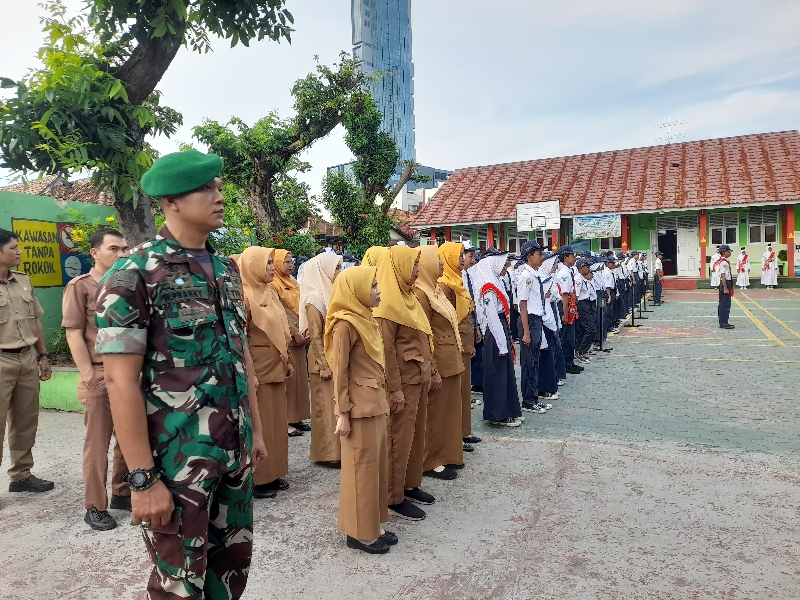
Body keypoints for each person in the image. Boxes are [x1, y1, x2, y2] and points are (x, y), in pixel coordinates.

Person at [95, 150, 267, 599]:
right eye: (206, 188)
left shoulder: (226, 269)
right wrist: (142, 478)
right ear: (171, 201)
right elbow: (119, 382)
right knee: (179, 584)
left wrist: (257, 433)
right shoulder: (134, 273)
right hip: (175, 464)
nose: (220, 196)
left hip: (234, 453)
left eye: (219, 186)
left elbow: (240, 354)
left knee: (231, 572)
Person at [62, 228, 131, 531]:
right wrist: (89, 375)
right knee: (98, 442)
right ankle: (95, 506)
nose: (121, 255)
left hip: (129, 374)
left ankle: (122, 492)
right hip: (100, 372)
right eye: (114, 249)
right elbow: (74, 332)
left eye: (124, 249)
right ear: (95, 252)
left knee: (128, 438)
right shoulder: (81, 287)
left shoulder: (128, 282)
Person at [326, 266, 395, 554]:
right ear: (356, 290)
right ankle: (359, 533)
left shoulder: (366, 319)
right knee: (361, 472)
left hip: (374, 402)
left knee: (375, 469)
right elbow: (339, 372)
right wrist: (342, 412)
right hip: (357, 408)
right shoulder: (344, 325)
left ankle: (373, 524)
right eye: (374, 286)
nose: (379, 291)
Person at [374, 245, 436, 521]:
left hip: (418, 378)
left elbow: (425, 339)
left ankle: (410, 485)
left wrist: (432, 370)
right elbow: (385, 352)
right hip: (403, 383)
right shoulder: (386, 306)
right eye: (411, 267)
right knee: (398, 439)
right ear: (397, 268)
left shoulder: (409, 300)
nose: (415, 272)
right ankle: (393, 495)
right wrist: (394, 389)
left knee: (416, 434)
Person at [0, 228, 53, 495]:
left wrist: (43, 355)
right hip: (1, 361)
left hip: (27, 358)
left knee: (26, 420)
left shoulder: (23, 280)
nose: (19, 252)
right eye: (13, 248)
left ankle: (21, 476)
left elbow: (35, 321)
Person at [240, 247, 294, 499]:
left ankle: (275, 472)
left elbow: (282, 328)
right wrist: (249, 373)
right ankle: (258, 479)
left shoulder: (269, 291)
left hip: (276, 365)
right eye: (267, 263)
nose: (272, 267)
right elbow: (241, 339)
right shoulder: (244, 294)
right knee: (259, 423)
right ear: (253, 266)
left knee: (275, 422)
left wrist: (288, 360)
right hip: (258, 370)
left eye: (273, 262)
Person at [414, 245, 464, 480]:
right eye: (437, 260)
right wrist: (431, 367)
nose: (442, 264)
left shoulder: (435, 289)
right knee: (434, 413)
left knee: (447, 411)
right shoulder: (421, 293)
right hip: (438, 361)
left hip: (450, 357)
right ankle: (431, 460)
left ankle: (447, 454)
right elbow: (423, 334)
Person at [300, 253, 343, 465]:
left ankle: (336, 451)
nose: (339, 272)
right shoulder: (315, 299)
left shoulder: (330, 293)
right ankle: (327, 454)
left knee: (333, 406)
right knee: (324, 408)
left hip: (332, 356)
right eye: (336, 268)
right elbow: (315, 336)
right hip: (322, 361)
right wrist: (324, 364)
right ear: (323, 271)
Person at [438, 242, 480, 451]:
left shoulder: (458, 279)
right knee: (456, 392)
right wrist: (463, 343)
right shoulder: (445, 284)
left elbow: (467, 313)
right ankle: (456, 436)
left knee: (463, 391)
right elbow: (450, 319)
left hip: (465, 339)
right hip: (456, 343)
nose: (463, 258)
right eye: (460, 255)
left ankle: (464, 431)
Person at [475, 249, 522, 427]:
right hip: (496, 334)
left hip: (501, 330)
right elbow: (492, 317)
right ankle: (498, 415)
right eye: (504, 265)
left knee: (505, 373)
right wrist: (502, 345)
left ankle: (509, 411)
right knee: (497, 375)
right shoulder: (488, 287)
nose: (506, 268)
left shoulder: (497, 281)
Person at [271, 249, 311, 435]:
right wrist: (295, 332)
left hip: (301, 335)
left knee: (299, 382)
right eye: (286, 261)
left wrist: (306, 327)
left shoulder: (293, 282)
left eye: (291, 260)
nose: (291, 264)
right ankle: (286, 420)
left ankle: (297, 417)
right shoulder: (273, 284)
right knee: (289, 381)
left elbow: (301, 307)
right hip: (288, 338)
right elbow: (281, 312)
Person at [517, 241, 548, 414]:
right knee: (529, 363)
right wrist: (526, 331)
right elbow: (522, 305)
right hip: (528, 321)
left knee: (535, 362)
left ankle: (534, 398)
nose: (542, 257)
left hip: (536, 320)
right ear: (530, 257)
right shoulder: (526, 277)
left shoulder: (535, 274)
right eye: (539, 254)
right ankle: (528, 401)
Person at [555, 246, 582, 375]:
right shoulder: (564, 273)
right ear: (566, 258)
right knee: (566, 337)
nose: (575, 258)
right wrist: (565, 314)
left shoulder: (569, 271)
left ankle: (570, 362)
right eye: (572, 256)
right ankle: (566, 364)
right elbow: (564, 295)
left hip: (570, 307)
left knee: (571, 336)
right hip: (565, 307)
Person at [573, 258, 597, 363]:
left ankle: (579, 352)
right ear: (581, 267)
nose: (589, 269)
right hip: (581, 305)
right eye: (587, 267)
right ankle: (580, 351)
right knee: (591, 329)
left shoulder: (582, 278)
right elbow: (576, 296)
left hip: (586, 304)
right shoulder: (578, 279)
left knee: (583, 330)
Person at [717, 245, 735, 329]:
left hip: (725, 283)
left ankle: (723, 321)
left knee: (723, 304)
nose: (730, 253)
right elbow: (723, 275)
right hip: (725, 283)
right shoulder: (724, 262)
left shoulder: (723, 261)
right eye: (729, 251)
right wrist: (725, 288)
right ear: (724, 252)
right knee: (725, 304)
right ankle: (724, 323)